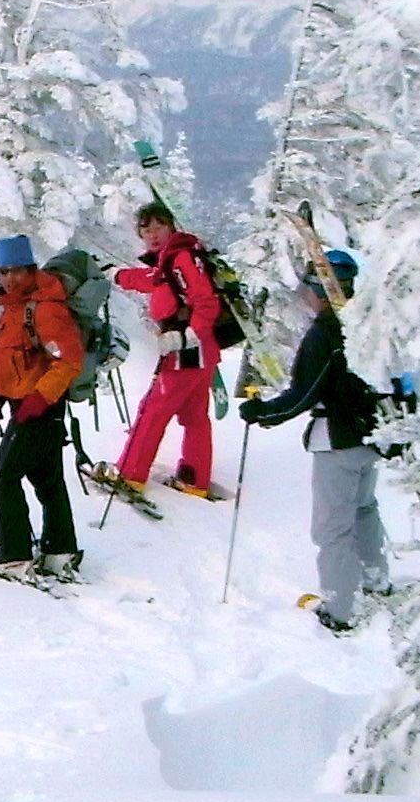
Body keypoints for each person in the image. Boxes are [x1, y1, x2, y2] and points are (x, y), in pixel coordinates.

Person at [241, 248, 387, 633]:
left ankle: (339, 609)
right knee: (363, 509)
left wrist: (263, 413)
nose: (304, 295)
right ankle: (376, 583)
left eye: (308, 286)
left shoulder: (326, 331)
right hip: (372, 434)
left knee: (332, 527)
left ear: (319, 289)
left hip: (337, 438)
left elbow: (305, 392)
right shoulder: (365, 324)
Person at [0, 234, 87, 582]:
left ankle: (13, 556)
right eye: (4, 270)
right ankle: (60, 550)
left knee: (5, 478)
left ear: (31, 269)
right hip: (27, 404)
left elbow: (69, 360)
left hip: (40, 408)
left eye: (17, 270)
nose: (10, 277)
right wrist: (2, 394)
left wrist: (39, 399)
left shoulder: (44, 307)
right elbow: (21, 361)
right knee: (47, 479)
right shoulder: (16, 307)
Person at [106, 199, 224, 502]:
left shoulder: (180, 257)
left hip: (186, 351)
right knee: (195, 416)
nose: (153, 234)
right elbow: (153, 281)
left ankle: (129, 475)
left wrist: (187, 337)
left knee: (152, 410)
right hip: (200, 352)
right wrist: (116, 274)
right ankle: (194, 479)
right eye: (146, 230)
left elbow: (205, 302)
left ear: (172, 226)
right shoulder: (171, 259)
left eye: (159, 226)